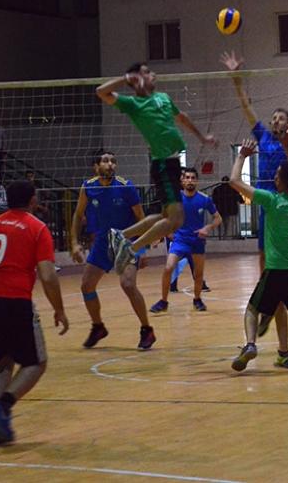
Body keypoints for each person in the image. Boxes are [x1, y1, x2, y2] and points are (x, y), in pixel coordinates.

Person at [221, 50, 288, 341]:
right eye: (273, 118)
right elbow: (245, 106)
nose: (276, 121)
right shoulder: (262, 136)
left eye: (280, 118)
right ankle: (268, 305)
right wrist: (236, 77)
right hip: (269, 203)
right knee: (265, 256)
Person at [96, 62, 217, 274]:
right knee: (176, 220)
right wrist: (126, 79)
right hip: (162, 164)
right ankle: (131, 248)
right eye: (147, 72)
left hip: (173, 163)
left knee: (165, 217)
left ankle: (120, 235)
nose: (153, 74)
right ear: (137, 79)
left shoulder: (163, 98)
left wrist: (202, 138)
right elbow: (101, 91)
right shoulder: (134, 103)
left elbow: (182, 117)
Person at [0, 180, 69, 446]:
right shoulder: (36, 227)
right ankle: (1, 407)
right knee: (36, 363)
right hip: (13, 300)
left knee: (1, 364)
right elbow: (48, 275)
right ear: (33, 201)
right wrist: (59, 309)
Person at [228, 130, 288, 371]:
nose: (273, 177)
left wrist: (242, 156)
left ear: (280, 181)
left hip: (277, 270)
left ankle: (250, 345)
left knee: (252, 309)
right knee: (280, 307)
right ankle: (284, 353)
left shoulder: (271, 200)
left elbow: (234, 181)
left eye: (276, 175)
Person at [69, 150, 156, 350]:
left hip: (127, 242)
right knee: (87, 286)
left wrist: (143, 248)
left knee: (128, 284)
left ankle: (147, 330)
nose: (110, 164)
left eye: (113, 161)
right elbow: (78, 215)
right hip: (102, 242)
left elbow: (141, 217)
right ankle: (98, 327)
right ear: (96, 166)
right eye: (106, 161)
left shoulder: (126, 186)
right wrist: (74, 242)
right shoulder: (88, 187)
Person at [150, 167, 221, 313]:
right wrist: (162, 235)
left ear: (197, 181)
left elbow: (218, 218)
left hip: (197, 241)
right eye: (187, 178)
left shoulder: (204, 199)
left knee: (198, 274)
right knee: (168, 268)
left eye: (193, 178)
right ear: (182, 181)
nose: (190, 180)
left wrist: (207, 228)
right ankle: (163, 301)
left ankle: (197, 299)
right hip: (180, 241)